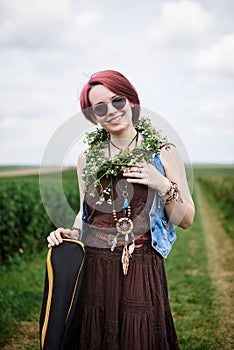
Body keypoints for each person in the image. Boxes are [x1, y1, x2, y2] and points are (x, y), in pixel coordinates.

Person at [47, 69, 195, 350]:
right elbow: (84, 212)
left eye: (117, 100)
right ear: (92, 115)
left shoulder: (163, 152)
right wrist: (71, 232)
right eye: (99, 107)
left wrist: (162, 184)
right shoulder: (87, 158)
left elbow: (186, 219)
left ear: (131, 100)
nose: (111, 111)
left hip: (142, 263)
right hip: (96, 266)